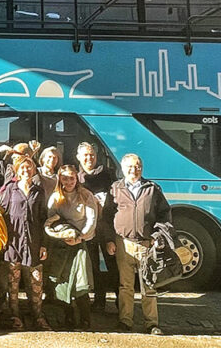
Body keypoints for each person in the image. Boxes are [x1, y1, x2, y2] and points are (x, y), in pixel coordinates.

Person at [108, 153, 171, 335]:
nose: (134, 170)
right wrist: (109, 240)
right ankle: (125, 321)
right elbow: (106, 216)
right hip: (123, 244)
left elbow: (164, 215)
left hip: (146, 244)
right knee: (125, 286)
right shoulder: (115, 188)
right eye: (130, 166)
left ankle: (151, 323)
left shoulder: (152, 188)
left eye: (137, 166)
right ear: (122, 167)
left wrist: (157, 235)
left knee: (149, 286)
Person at [0, 158, 51, 331]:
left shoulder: (39, 191)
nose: (26, 170)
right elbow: (1, 213)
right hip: (14, 242)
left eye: (29, 167)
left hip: (34, 241)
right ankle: (15, 316)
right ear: (17, 170)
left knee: (36, 282)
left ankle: (38, 316)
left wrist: (44, 244)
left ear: (34, 170)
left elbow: (44, 218)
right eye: (23, 167)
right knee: (13, 283)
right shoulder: (10, 190)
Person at [45, 165, 99, 330]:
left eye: (72, 178)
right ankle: (68, 317)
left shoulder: (86, 195)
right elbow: (50, 219)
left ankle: (85, 319)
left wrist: (79, 237)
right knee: (63, 281)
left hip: (80, 244)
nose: (68, 182)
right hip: (61, 245)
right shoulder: (55, 197)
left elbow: (92, 220)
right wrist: (62, 232)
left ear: (77, 179)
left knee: (80, 282)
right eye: (65, 178)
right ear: (60, 179)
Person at [76, 142, 119, 312]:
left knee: (112, 265)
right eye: (85, 155)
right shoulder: (76, 178)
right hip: (86, 229)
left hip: (106, 229)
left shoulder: (107, 175)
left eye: (92, 155)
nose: (89, 158)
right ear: (78, 157)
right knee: (92, 266)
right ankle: (99, 301)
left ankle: (119, 302)